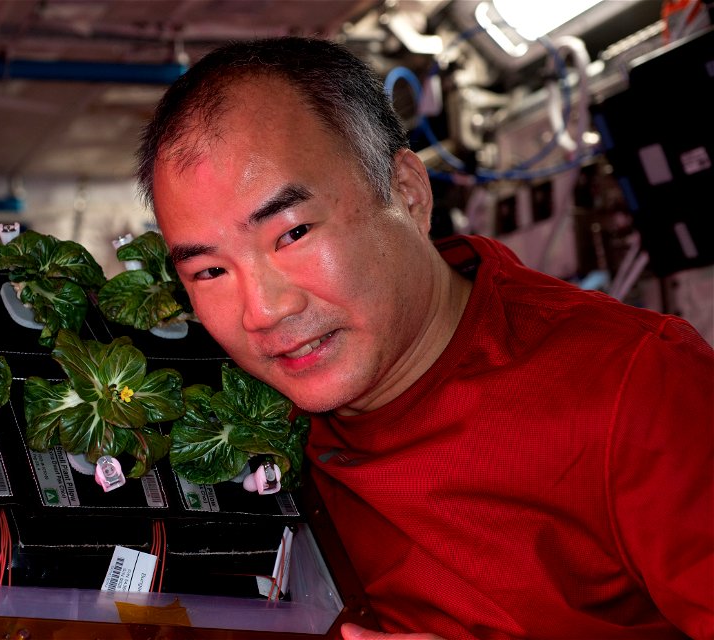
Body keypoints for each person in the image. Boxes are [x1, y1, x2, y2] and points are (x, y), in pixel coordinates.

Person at [136, 37, 714, 639]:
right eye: (209, 271)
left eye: (294, 232)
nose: (263, 311)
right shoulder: (231, 426)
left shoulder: (633, 388)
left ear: (408, 193)